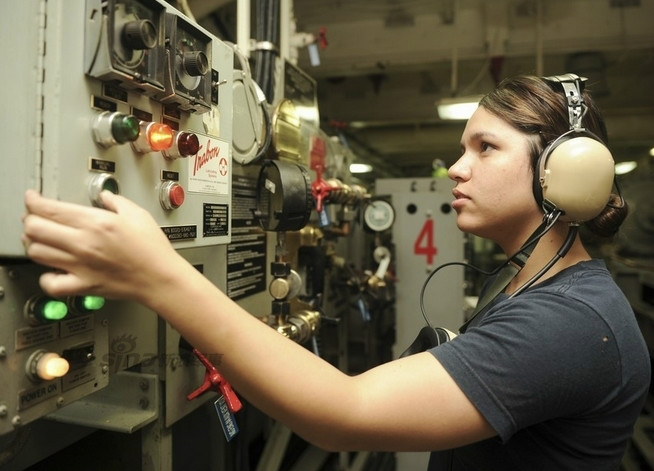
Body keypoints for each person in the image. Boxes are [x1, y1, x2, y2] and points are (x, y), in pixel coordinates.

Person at [22, 74, 650, 470]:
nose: (456, 168)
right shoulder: (521, 280)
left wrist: (156, 274)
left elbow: (343, 412)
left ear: (564, 175)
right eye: (464, 148)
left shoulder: (570, 324)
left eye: (485, 148)